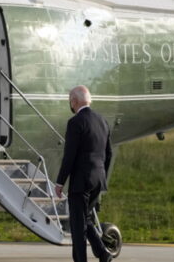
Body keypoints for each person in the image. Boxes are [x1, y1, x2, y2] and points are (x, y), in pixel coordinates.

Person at [54, 85, 114, 262]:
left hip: (81, 182)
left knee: (78, 226)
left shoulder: (75, 122)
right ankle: (103, 254)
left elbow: (69, 156)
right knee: (85, 218)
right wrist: (101, 173)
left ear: (74, 101)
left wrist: (59, 183)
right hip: (98, 179)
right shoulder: (102, 121)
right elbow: (108, 153)